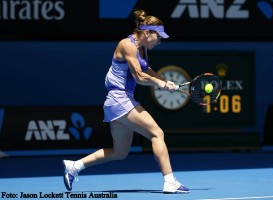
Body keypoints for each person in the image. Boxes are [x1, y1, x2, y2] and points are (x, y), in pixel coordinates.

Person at [62, 9, 189, 194]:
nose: (159, 41)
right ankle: (170, 181)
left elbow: (147, 69)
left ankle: (75, 166)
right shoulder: (127, 45)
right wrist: (160, 83)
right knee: (157, 134)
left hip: (118, 102)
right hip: (119, 98)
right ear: (147, 33)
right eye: (158, 37)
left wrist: (163, 80)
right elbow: (138, 76)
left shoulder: (143, 48)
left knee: (119, 153)